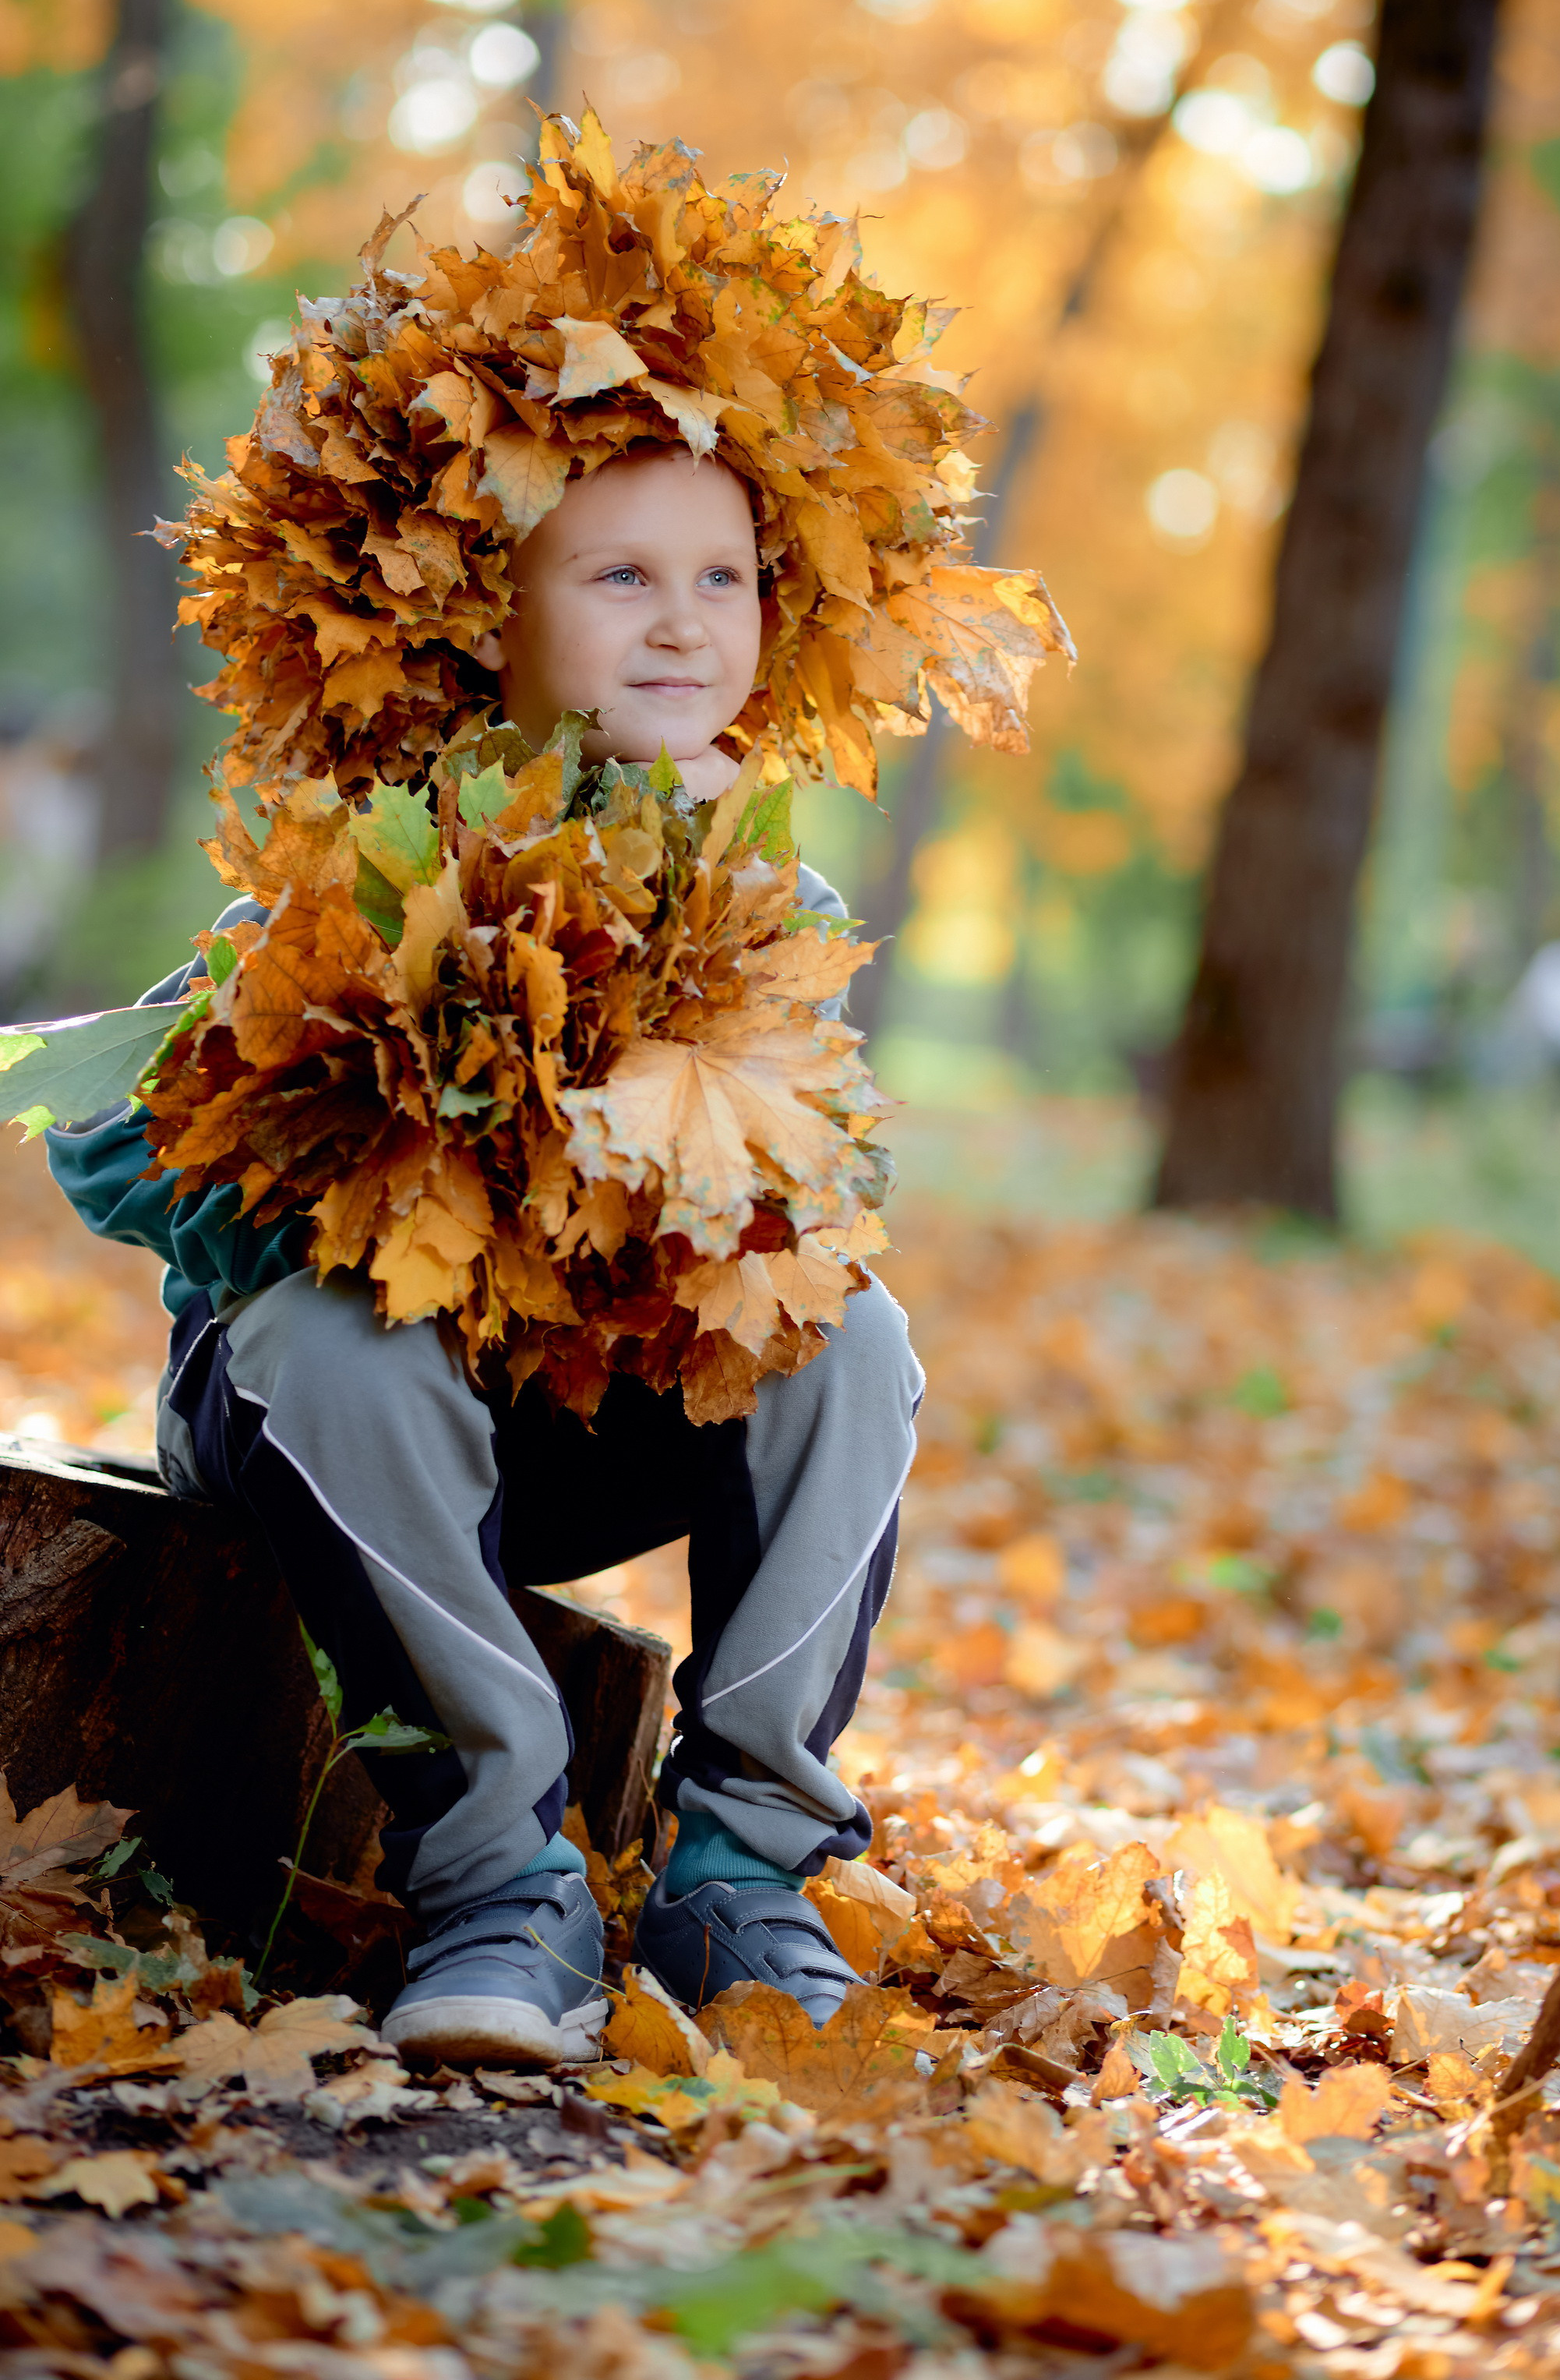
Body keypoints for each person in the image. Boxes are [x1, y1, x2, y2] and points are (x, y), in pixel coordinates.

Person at [46, 443, 926, 2072]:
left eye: (720, 577)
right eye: (619, 578)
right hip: (312, 1414)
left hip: (584, 1417)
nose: (682, 624)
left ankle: (741, 1864)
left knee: (849, 1333)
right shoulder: (373, 848)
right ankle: (496, 1883)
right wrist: (343, 1190)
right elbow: (105, 1135)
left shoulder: (763, 889)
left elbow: (811, 1179)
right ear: (492, 617)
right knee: (337, 1336)